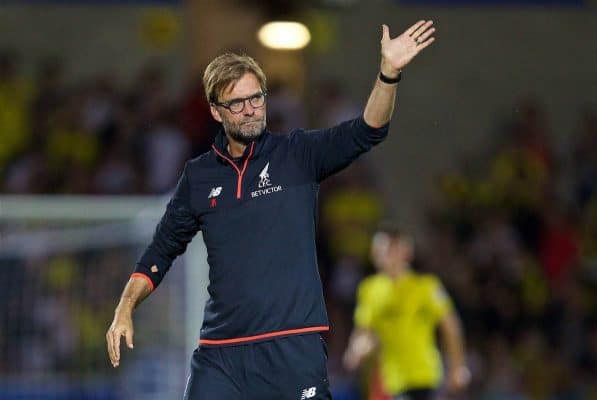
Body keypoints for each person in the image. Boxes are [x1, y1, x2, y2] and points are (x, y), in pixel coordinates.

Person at [106, 20, 437, 399]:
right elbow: (161, 250)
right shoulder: (198, 177)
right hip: (221, 355)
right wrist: (124, 307)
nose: (250, 110)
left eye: (256, 98)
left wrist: (388, 74)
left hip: (292, 348)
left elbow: (369, 129)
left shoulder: (297, 155)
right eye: (237, 103)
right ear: (216, 111)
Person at [343, 226, 470, 400]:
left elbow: (451, 325)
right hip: (391, 380)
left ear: (406, 252)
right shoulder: (369, 290)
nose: (387, 255)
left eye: (392, 249)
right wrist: (356, 350)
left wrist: (458, 366)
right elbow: (364, 331)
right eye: (381, 250)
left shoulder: (427, 286)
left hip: (426, 375)